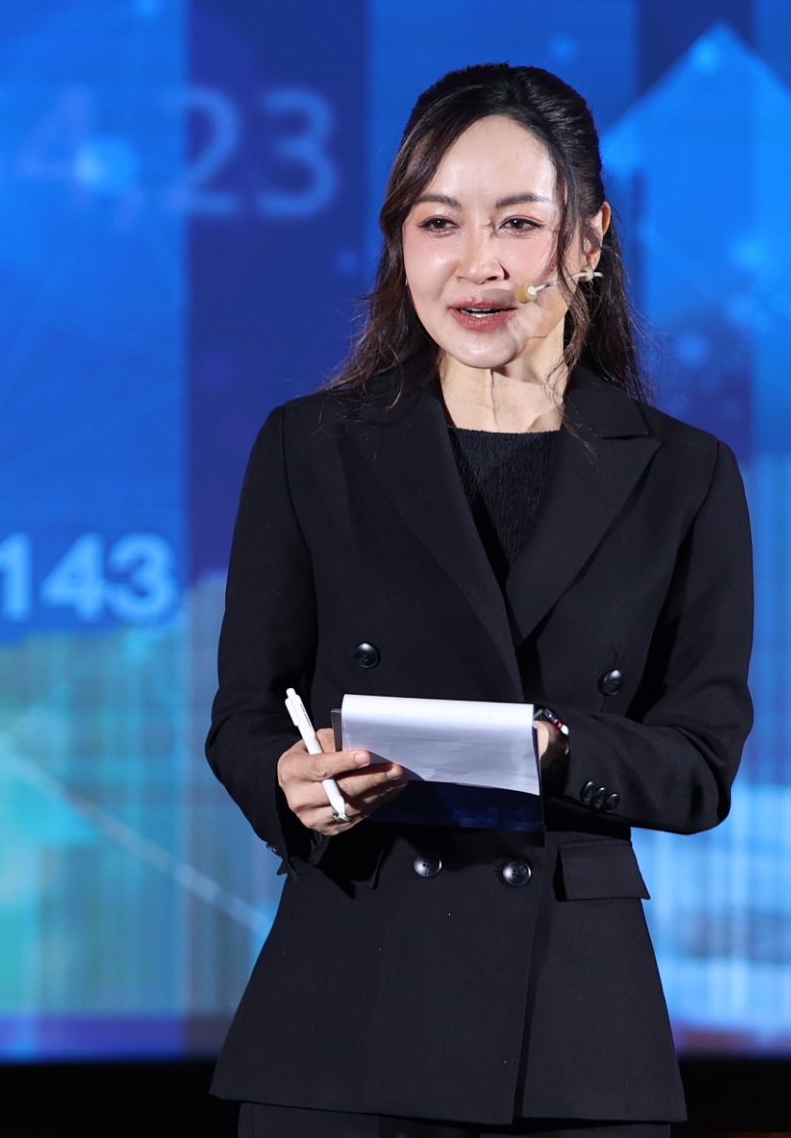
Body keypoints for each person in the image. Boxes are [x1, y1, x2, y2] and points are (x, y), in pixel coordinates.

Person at [206, 63, 755, 1138]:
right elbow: (245, 713)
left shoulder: (683, 476)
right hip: (349, 1009)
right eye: (437, 223)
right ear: (398, 244)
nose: (476, 264)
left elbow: (698, 766)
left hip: (573, 1037)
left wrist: (551, 749)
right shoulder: (310, 449)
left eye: (517, 222)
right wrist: (287, 781)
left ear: (588, 240)